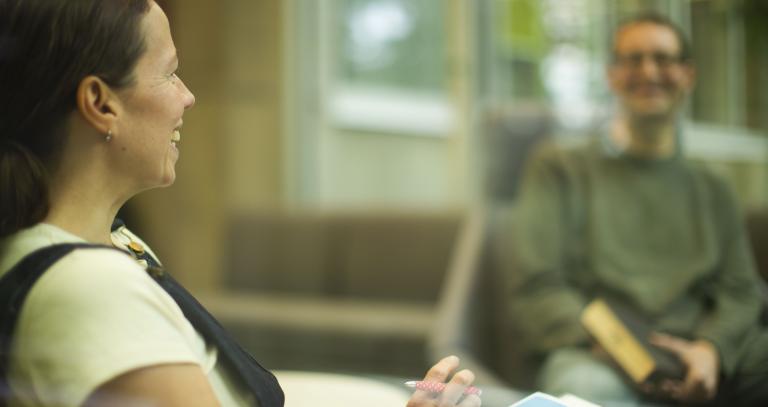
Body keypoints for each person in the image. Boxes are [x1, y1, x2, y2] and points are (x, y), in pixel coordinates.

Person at [0, 1, 482, 406]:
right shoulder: (91, 290)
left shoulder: (111, 245)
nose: (188, 97)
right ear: (100, 103)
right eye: (170, 73)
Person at [499, 12, 768, 406]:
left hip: (704, 352)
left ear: (687, 74)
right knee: (585, 393)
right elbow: (538, 288)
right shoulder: (558, 168)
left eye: (663, 59)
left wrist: (712, 351)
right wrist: (631, 354)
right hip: (599, 355)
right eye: (632, 59)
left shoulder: (714, 186)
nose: (648, 71)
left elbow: (741, 292)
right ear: (611, 75)